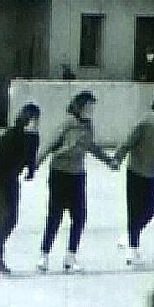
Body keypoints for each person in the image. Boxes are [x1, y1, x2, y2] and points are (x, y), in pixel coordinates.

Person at [39, 90, 118, 273]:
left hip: (77, 175)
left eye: (93, 107)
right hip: (59, 173)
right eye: (88, 107)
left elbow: (91, 146)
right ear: (79, 107)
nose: (91, 111)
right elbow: (49, 144)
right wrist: (34, 165)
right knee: (55, 216)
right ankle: (44, 254)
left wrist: (109, 161)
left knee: (79, 217)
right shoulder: (67, 123)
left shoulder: (88, 126)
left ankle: (70, 256)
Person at [112, 89, 154, 266]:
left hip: (152, 173)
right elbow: (128, 141)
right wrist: (117, 158)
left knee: (150, 210)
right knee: (134, 211)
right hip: (135, 171)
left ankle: (129, 235)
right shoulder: (145, 122)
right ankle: (132, 250)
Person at [0, 102, 42, 274]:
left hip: (12, 180)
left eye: (37, 120)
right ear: (25, 118)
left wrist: (30, 171)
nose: (36, 123)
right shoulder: (11, 135)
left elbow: (30, 157)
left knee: (12, 219)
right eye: (33, 119)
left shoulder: (33, 138)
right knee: (2, 219)